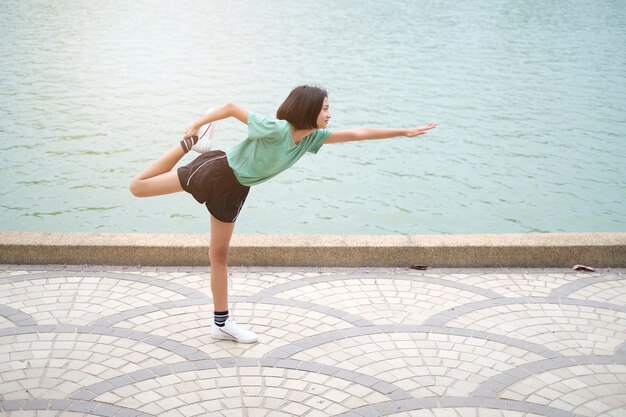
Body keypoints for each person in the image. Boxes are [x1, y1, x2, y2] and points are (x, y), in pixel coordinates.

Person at [129, 85, 436, 343]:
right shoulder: (276, 129)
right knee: (138, 188)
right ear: (308, 109)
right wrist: (197, 124)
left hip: (237, 189)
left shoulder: (312, 139)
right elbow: (232, 107)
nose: (330, 114)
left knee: (219, 255)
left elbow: (358, 133)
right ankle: (191, 144)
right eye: (326, 108)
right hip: (218, 172)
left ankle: (221, 323)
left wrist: (402, 132)